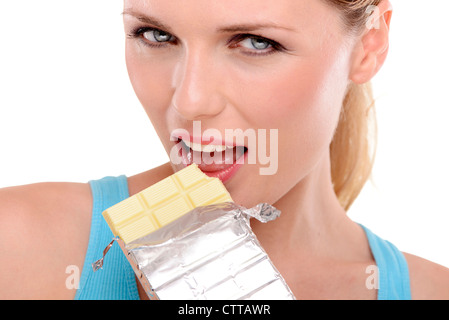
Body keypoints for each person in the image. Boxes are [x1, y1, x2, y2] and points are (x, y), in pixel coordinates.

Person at [1, 0, 448, 300]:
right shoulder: (19, 247)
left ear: (368, 46)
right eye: (155, 35)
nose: (189, 101)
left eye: (257, 42)